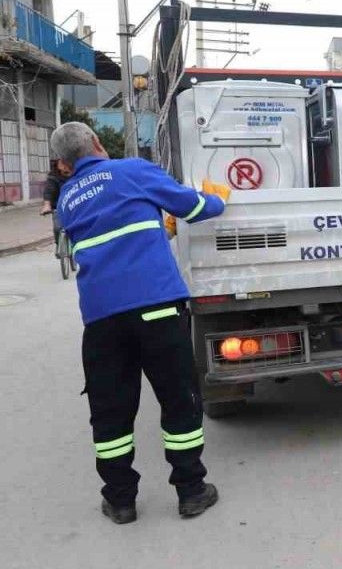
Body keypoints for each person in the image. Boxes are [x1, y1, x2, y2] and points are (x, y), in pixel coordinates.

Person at [51, 121, 231, 525]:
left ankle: (120, 501)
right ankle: (191, 491)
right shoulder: (131, 170)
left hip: (101, 319)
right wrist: (218, 199)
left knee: (111, 412)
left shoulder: (67, 199)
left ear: (64, 164)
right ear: (97, 142)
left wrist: (155, 227)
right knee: (178, 399)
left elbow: (113, 234)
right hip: (156, 308)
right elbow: (194, 208)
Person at [40, 159, 71, 253]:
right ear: (57, 164)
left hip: (75, 205)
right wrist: (47, 205)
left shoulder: (77, 174)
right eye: (62, 163)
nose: (65, 166)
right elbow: (48, 191)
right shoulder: (53, 177)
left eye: (67, 162)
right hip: (58, 207)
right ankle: (59, 244)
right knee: (58, 227)